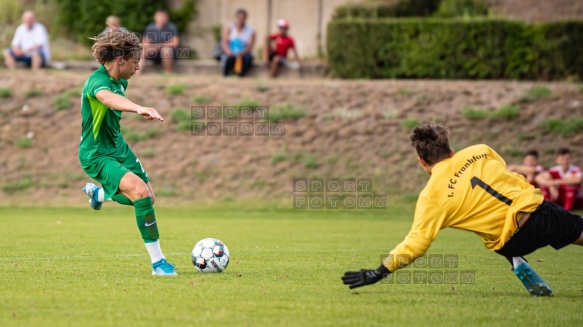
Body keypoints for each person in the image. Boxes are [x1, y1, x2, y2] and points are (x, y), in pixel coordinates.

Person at [342, 124, 583, 296]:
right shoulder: (480, 150)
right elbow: (500, 168)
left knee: (490, 230)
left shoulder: (430, 197)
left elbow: (415, 244)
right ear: (451, 151)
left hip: (510, 242)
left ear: (422, 162)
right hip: (540, 215)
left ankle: (516, 259)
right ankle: (518, 253)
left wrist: (379, 272)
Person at [79, 30, 177, 276]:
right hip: (97, 154)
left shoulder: (122, 80)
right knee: (140, 192)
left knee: (148, 198)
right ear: (120, 60)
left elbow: (115, 94)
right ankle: (159, 264)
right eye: (135, 62)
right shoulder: (96, 81)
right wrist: (138, 107)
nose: (138, 67)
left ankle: (99, 194)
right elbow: (108, 98)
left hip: (118, 147)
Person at [138, 8, 179, 74]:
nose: (161, 18)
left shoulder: (172, 27)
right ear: (155, 17)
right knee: (142, 50)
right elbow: (145, 42)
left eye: (163, 16)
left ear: (167, 17)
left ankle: (168, 73)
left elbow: (175, 42)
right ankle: (138, 73)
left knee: (166, 50)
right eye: (160, 16)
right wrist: (152, 47)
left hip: (169, 52)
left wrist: (160, 46)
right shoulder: (150, 27)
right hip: (153, 51)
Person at [221, 8, 256, 77]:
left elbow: (250, 46)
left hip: (243, 53)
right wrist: (228, 51)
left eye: (243, 18)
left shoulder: (250, 30)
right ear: (236, 17)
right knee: (227, 59)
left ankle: (240, 74)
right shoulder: (230, 28)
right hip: (231, 52)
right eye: (239, 17)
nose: (241, 19)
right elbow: (224, 42)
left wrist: (242, 53)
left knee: (248, 58)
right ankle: (226, 74)